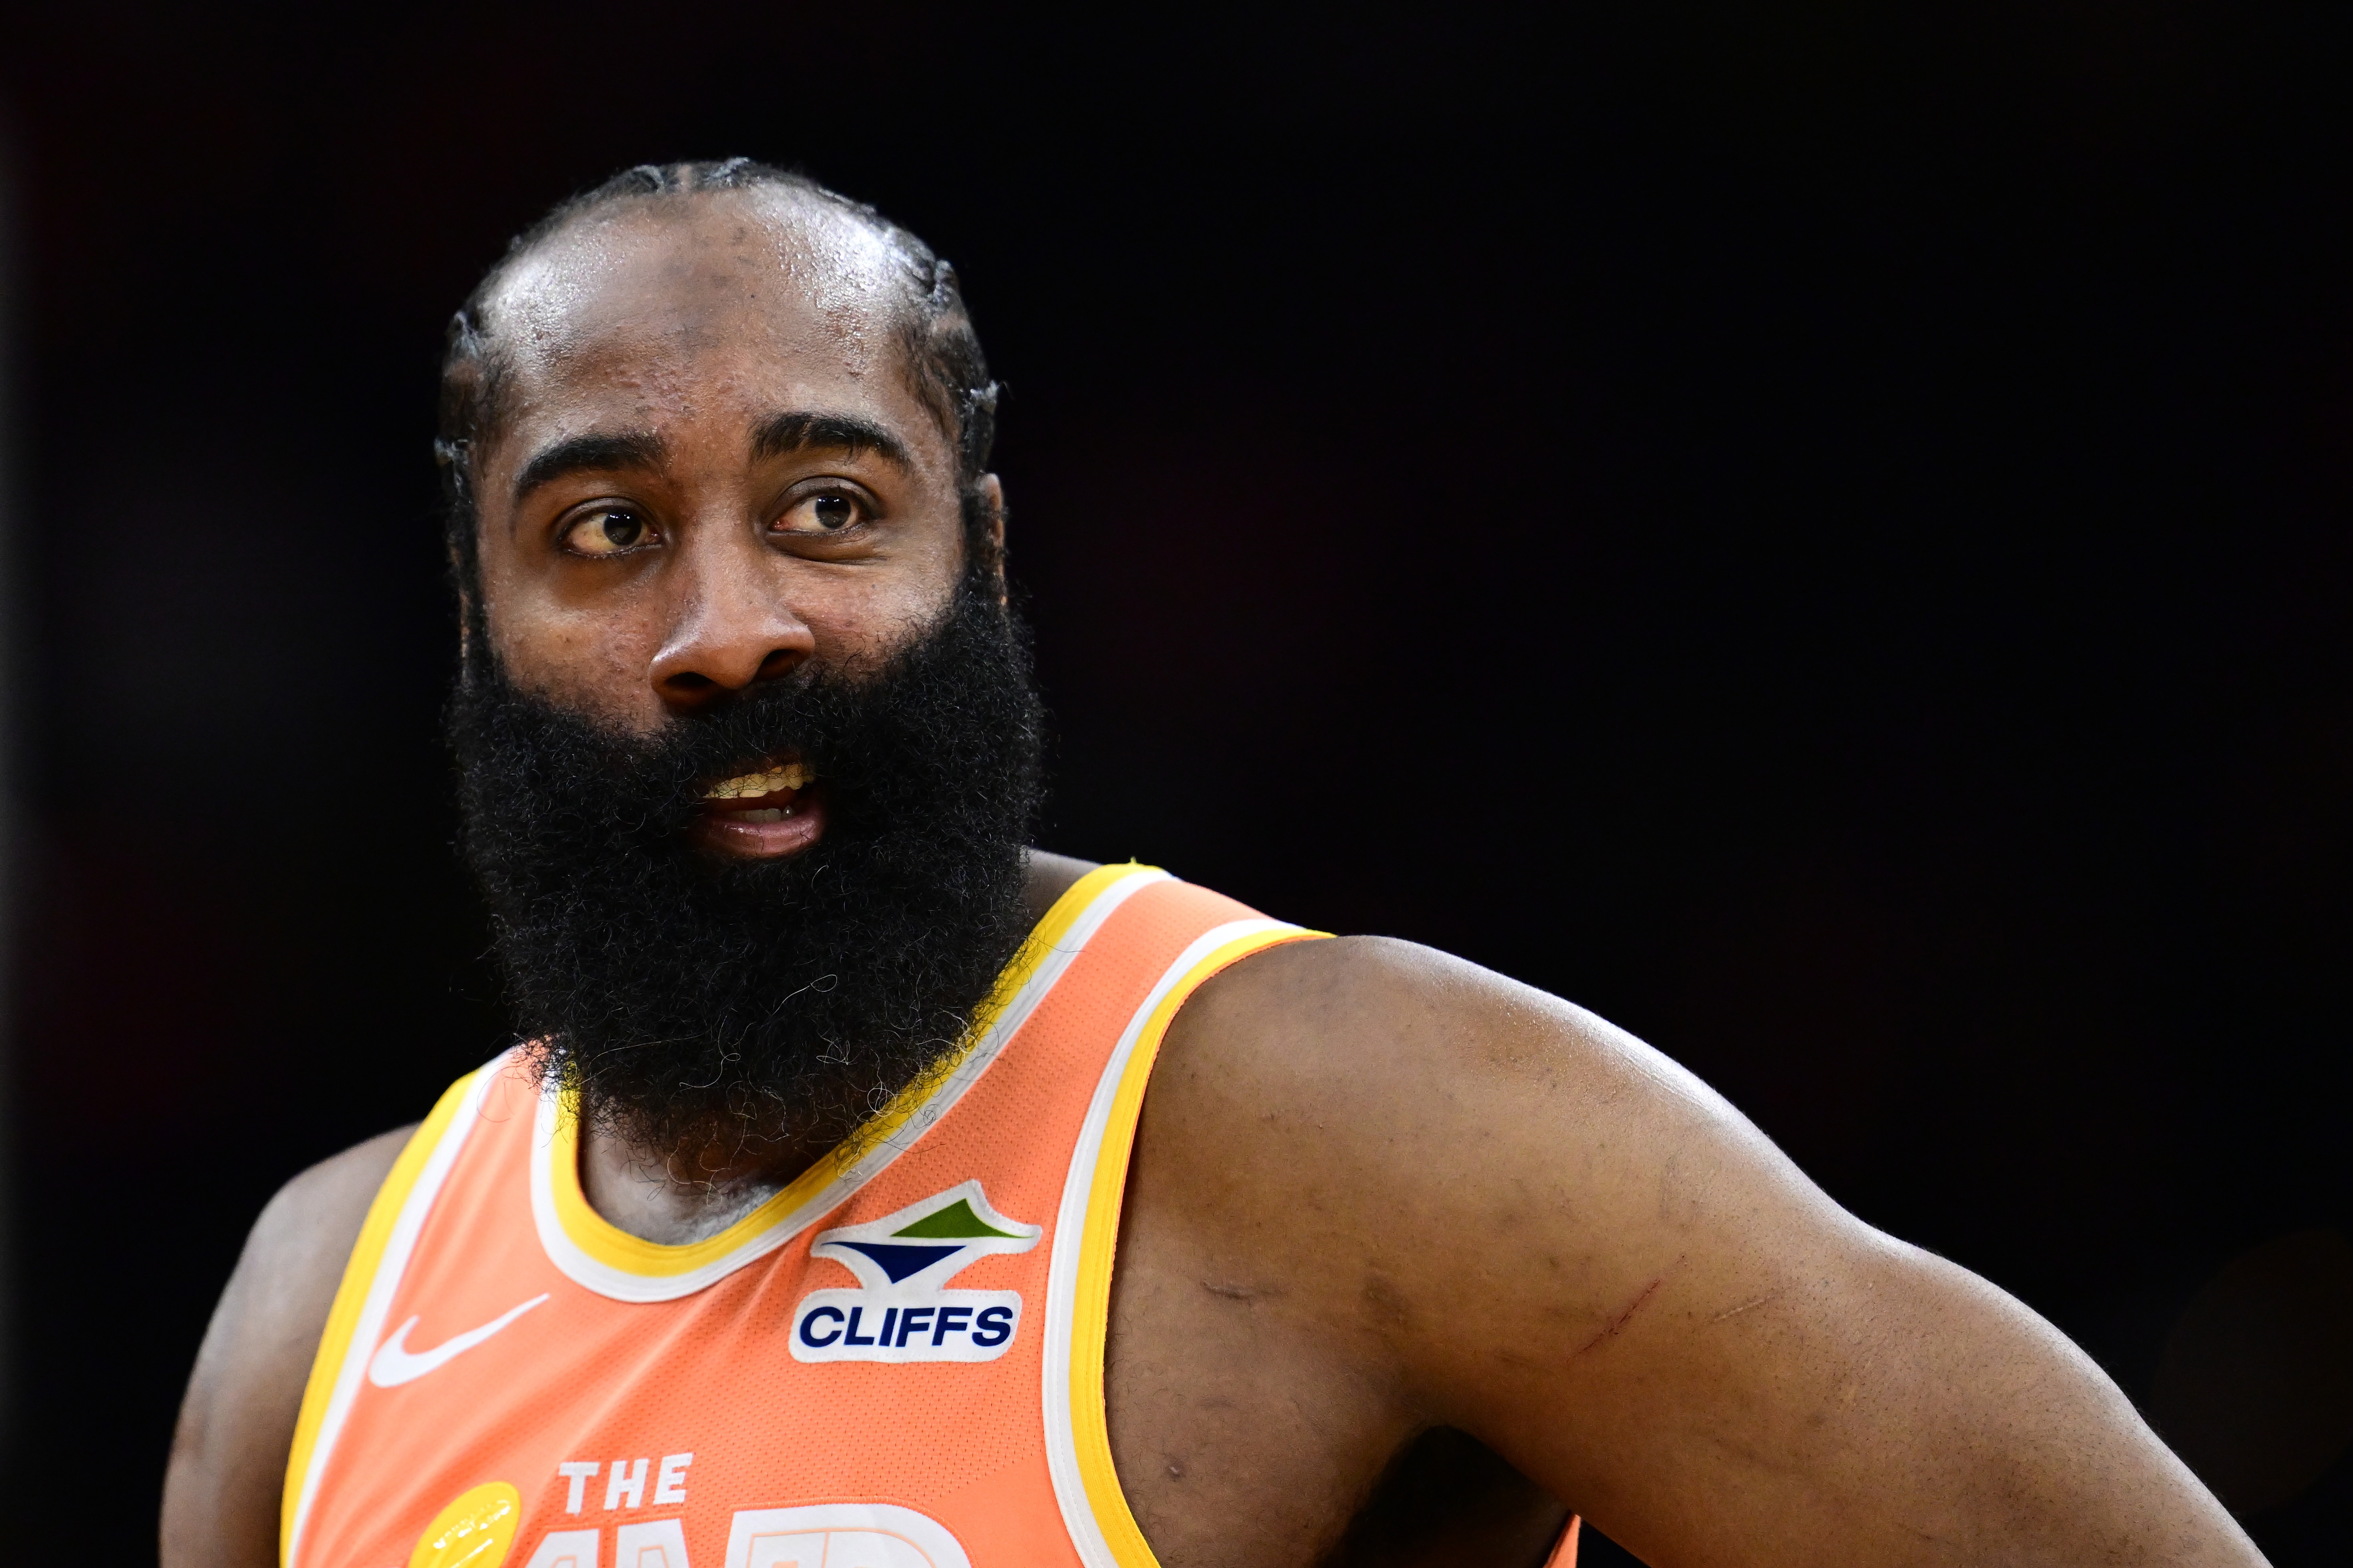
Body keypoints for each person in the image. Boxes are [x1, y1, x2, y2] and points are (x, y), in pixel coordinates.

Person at [159, 160, 2265, 1568]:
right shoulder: (322, 1310)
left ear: (983, 561)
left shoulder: (1365, 1127)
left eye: (829, 510)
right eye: (609, 532)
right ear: (480, 629)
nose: (731, 629)